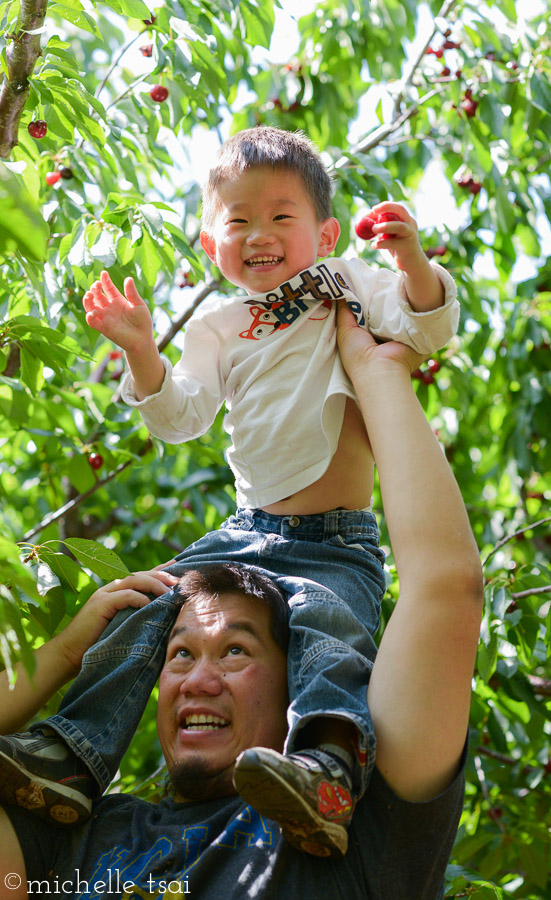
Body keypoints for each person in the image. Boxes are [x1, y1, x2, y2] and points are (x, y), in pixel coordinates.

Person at [0, 126, 461, 857]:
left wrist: (408, 260)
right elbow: (180, 418)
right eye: (237, 221)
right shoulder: (218, 327)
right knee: (149, 608)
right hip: (246, 532)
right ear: (211, 244)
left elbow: (427, 327)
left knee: (324, 623)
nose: (259, 234)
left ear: (326, 232)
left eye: (282, 217)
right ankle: (73, 755)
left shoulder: (345, 281)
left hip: (334, 540)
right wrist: (142, 352)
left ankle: (325, 768)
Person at [0, 304, 483, 898]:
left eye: (234, 651)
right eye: (178, 655)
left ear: (298, 676)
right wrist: (73, 649)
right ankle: (63, 752)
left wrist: (376, 372)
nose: (198, 679)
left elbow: (447, 590)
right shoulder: (65, 849)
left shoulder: (358, 833)